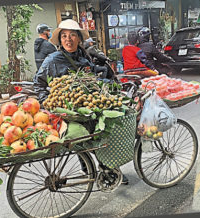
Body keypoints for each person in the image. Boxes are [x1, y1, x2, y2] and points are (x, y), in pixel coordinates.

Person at [33, 19, 129, 185]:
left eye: (72, 35)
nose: (68, 39)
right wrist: (47, 102)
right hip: (68, 111)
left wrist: (107, 85)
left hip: (87, 107)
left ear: (78, 38)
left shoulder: (84, 57)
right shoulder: (52, 60)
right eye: (64, 36)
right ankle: (92, 168)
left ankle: (106, 168)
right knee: (81, 139)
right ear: (60, 40)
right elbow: (38, 83)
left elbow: (92, 79)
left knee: (101, 136)